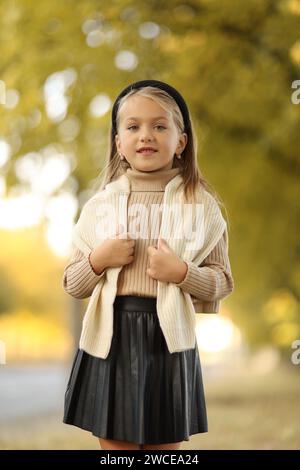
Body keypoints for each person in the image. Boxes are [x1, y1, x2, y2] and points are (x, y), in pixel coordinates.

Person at [62, 79, 234, 451]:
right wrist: (98, 260)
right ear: (118, 143)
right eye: (133, 126)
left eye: (160, 126)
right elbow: (72, 284)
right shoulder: (99, 207)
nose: (146, 136)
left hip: (168, 338)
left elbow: (222, 281)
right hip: (112, 337)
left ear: (181, 142)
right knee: (117, 447)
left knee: (163, 449)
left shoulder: (201, 206)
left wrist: (183, 274)